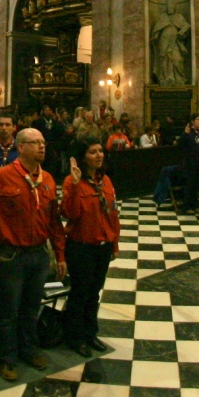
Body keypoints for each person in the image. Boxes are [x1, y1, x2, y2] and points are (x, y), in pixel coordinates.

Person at [0, 127, 65, 381]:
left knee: (31, 308)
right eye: (35, 142)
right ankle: (7, 358)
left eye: (43, 142)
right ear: (21, 147)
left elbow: (54, 221)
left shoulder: (47, 179)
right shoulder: (1, 176)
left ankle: (29, 349)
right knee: (9, 312)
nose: (42, 146)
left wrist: (60, 255)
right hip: (11, 256)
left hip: (39, 254)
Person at [62, 138, 119, 356]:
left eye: (100, 151)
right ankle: (75, 337)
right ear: (83, 157)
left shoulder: (106, 180)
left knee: (94, 293)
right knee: (80, 293)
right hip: (81, 247)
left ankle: (90, 333)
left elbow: (112, 214)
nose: (99, 155)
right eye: (93, 152)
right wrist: (77, 186)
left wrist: (114, 244)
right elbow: (70, 213)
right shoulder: (72, 181)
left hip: (102, 246)